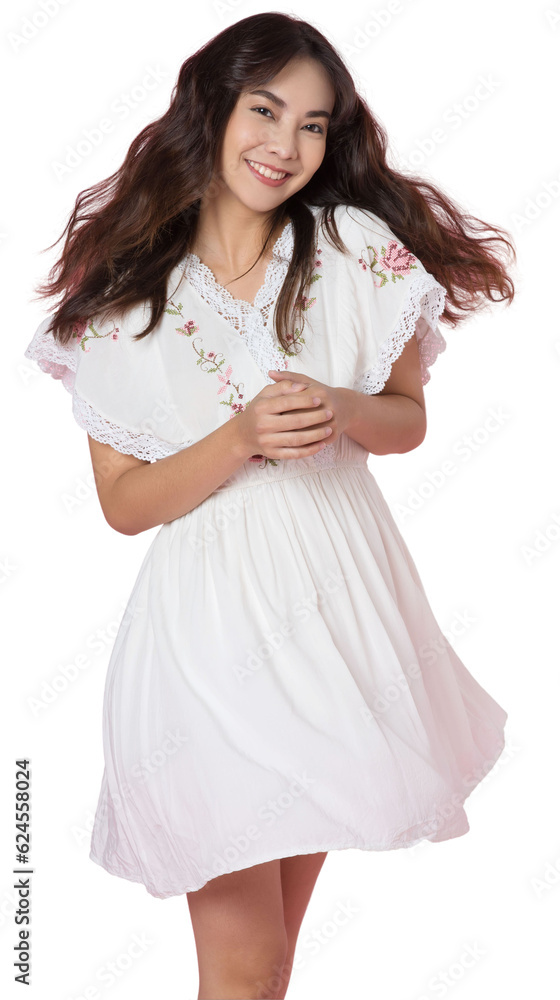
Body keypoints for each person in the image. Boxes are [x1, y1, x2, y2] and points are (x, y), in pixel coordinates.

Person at [23, 12, 516, 1000]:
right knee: (243, 970)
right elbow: (123, 505)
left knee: (272, 963)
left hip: (343, 623)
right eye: (264, 110)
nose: (284, 145)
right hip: (212, 640)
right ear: (209, 107)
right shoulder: (121, 301)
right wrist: (238, 435)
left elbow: (405, 421)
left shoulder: (350, 247)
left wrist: (339, 406)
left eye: (312, 125)